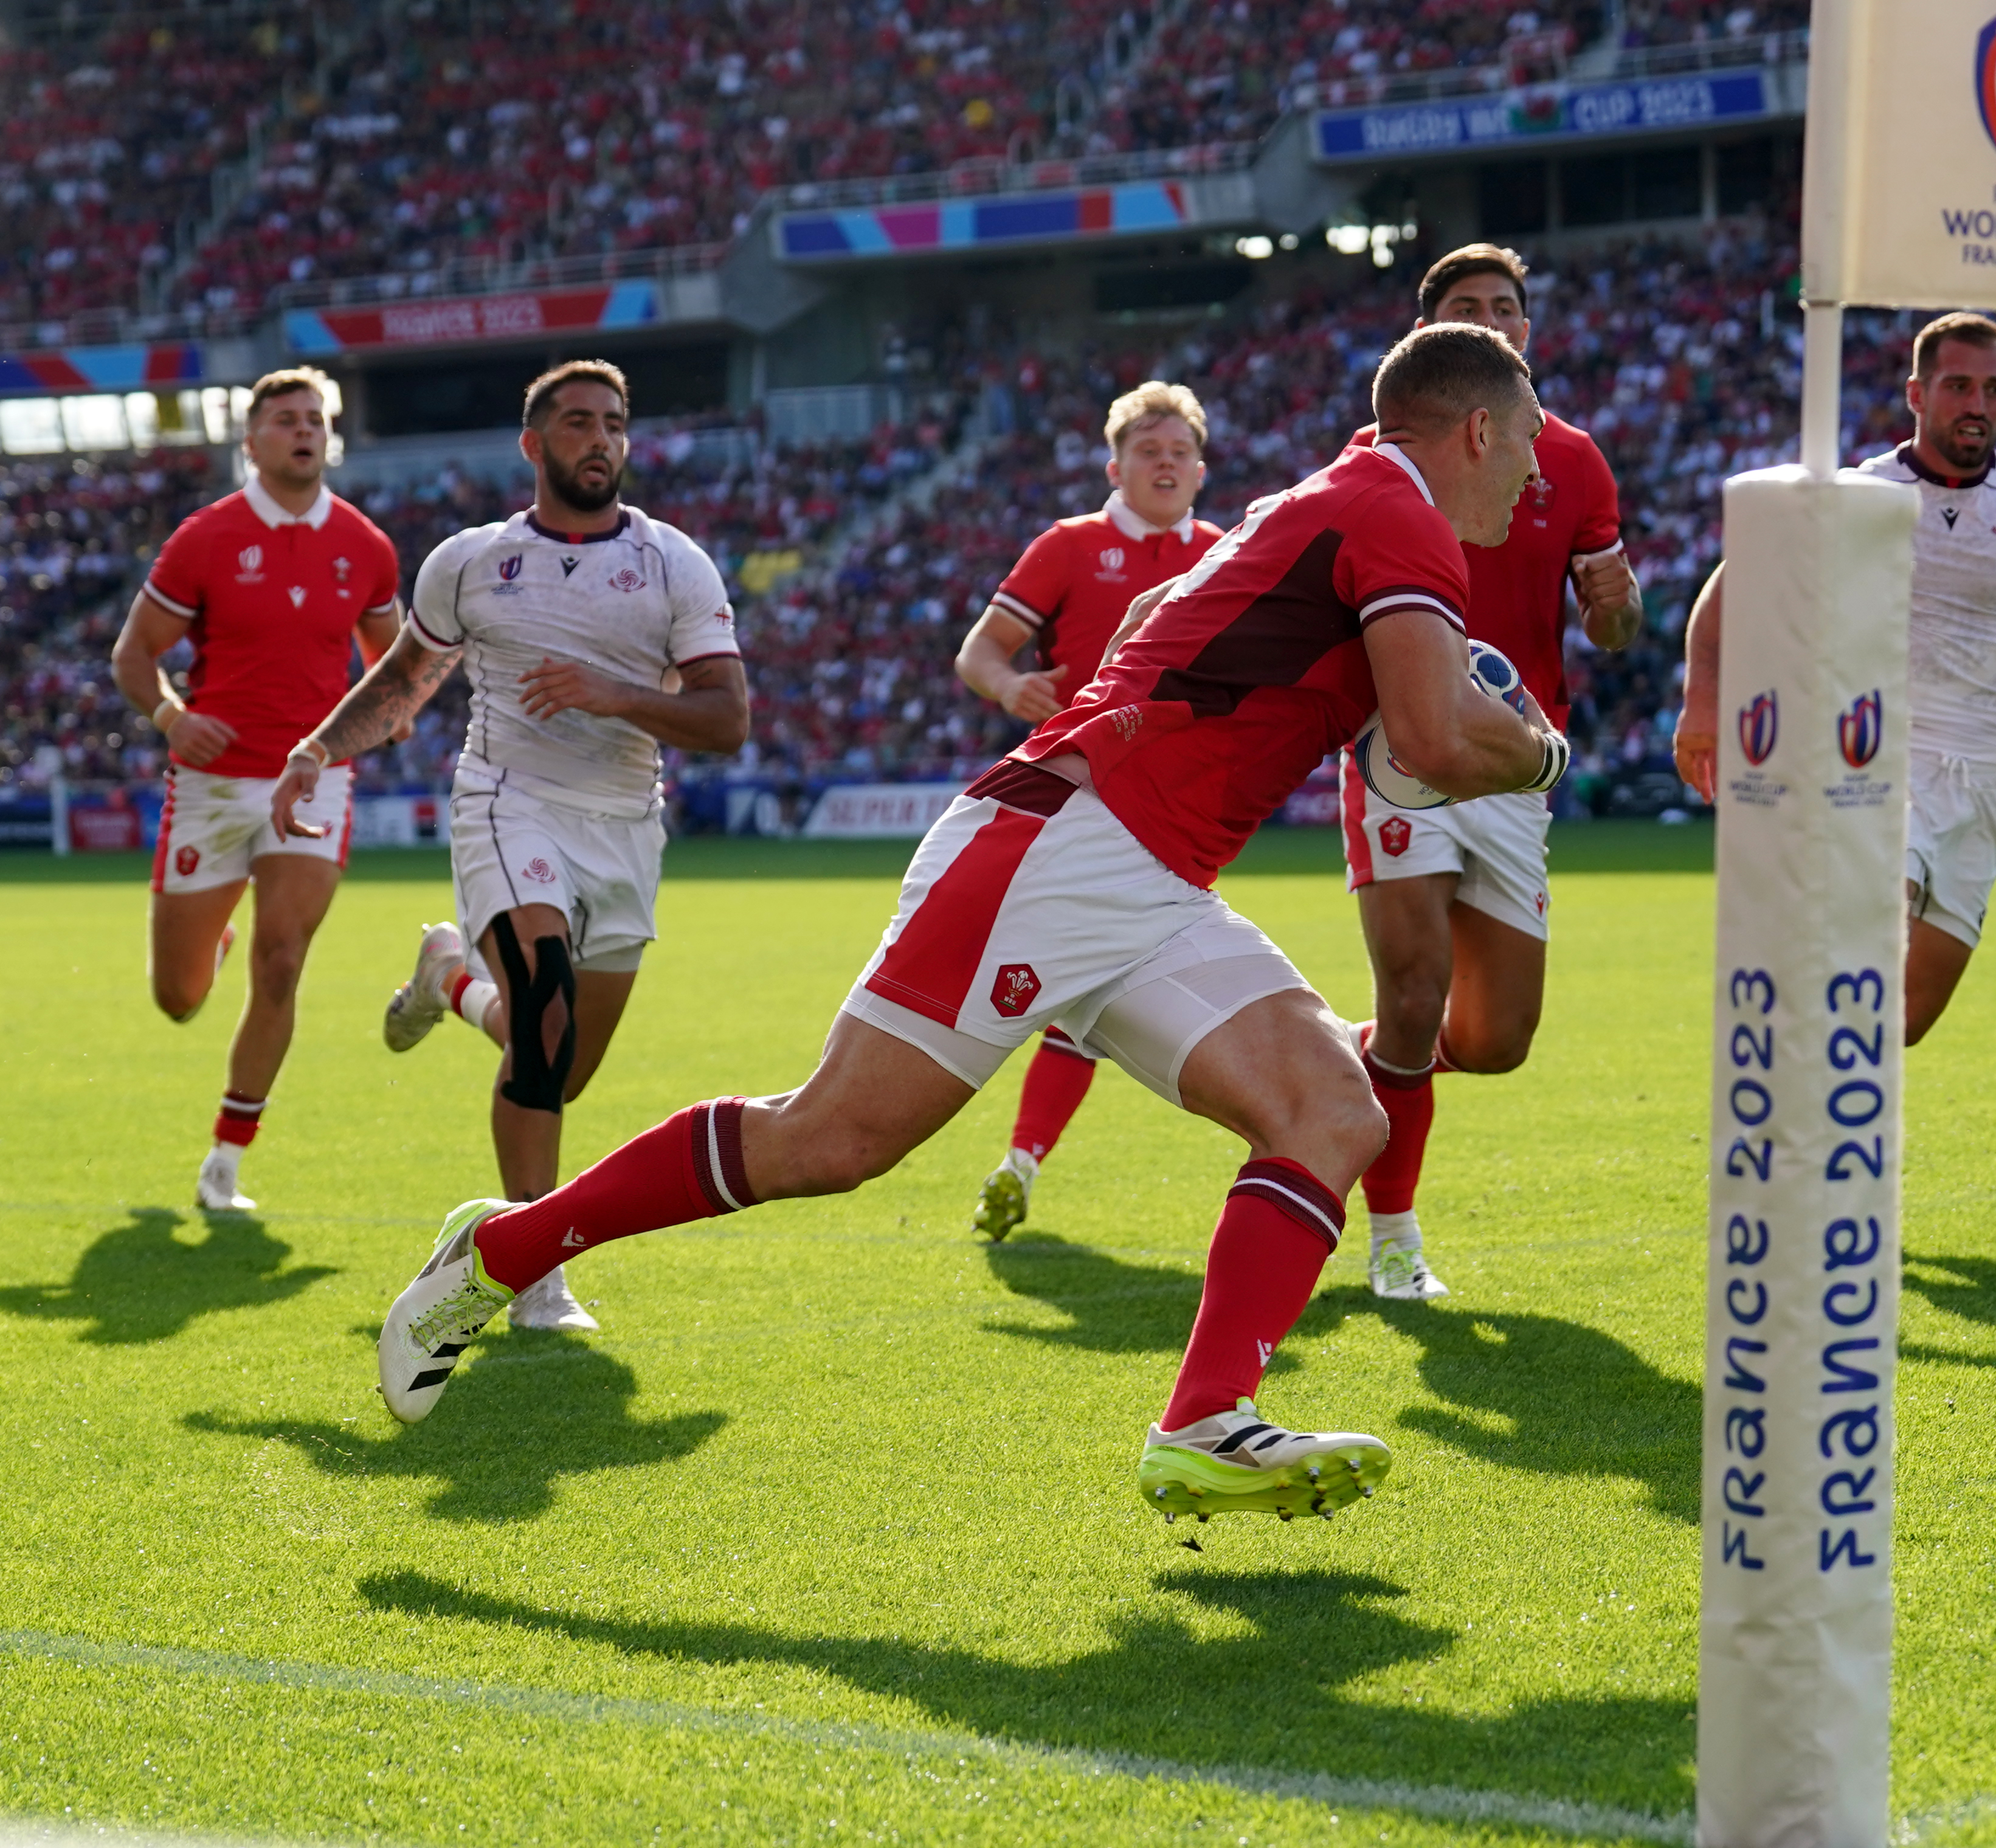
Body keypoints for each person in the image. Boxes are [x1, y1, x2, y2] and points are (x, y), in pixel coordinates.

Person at [372, 325, 1570, 1527]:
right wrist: (1540, 749)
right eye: (1524, 442)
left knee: (1332, 1111)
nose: (1534, 471)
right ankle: (501, 1252)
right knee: (828, 1140)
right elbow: (1428, 738)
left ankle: (1205, 1425)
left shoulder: (1341, 493)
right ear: (1474, 429)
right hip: (1067, 843)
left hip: (1144, 868)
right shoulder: (1400, 514)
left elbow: (1209, 622)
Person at [270, 359, 750, 1331]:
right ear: (534, 445)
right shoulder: (471, 561)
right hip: (507, 802)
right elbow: (406, 679)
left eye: (615, 423)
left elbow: (727, 718)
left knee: (559, 1064)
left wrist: (616, 693)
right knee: (542, 1010)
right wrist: (318, 748)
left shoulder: (673, 563)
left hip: (623, 825)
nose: (601, 440)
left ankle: (449, 981)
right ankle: (533, 1275)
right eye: (578, 423)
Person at [1672, 311, 1996, 1043]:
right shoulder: (1859, 495)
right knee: (1874, 935)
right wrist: (1702, 702)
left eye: (1994, 389)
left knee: (1903, 1020)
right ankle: (1790, 1122)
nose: (1978, 405)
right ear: (1918, 395)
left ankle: (1798, 1073)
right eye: (1959, 386)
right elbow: (1727, 593)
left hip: (1984, 780)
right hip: (1875, 756)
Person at [1335, 244, 1643, 1300]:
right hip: (1399, 746)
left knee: (1497, 1040)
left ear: (1528, 327)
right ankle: (1394, 1243)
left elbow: (1615, 629)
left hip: (1515, 765)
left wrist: (1616, 600)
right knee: (1415, 996)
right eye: (1469, 308)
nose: (1494, 321)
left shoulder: (1577, 460)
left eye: (1506, 307)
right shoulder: (1381, 456)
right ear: (1425, 335)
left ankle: (1350, 1055)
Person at [108, 367, 402, 1210]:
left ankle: (227, 1163)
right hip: (209, 785)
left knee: (282, 959)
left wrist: (395, 708)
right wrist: (171, 719)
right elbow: (134, 656)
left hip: (313, 780)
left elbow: (397, 659)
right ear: (252, 441)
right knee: (180, 998)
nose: (305, 431)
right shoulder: (204, 537)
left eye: (315, 419)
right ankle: (208, 946)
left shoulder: (367, 546)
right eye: (286, 419)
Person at [952, 381, 1222, 1239]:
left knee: (1094, 981)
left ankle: (1021, 1162)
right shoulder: (1070, 546)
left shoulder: (1226, 551)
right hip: (1083, 797)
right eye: (1150, 450)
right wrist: (1012, 683)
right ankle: (1018, 1156)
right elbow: (980, 652)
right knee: (1086, 980)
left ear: (1202, 468)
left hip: (1187, 811)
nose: (1167, 463)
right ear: (1116, 466)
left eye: (1180, 451)